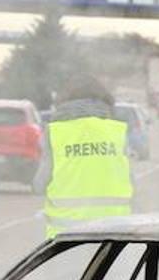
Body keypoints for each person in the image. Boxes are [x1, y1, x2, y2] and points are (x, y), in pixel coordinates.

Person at [35, 77, 132, 238]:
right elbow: (130, 182)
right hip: (113, 233)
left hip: (66, 237)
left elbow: (40, 184)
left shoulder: (55, 132)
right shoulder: (117, 131)